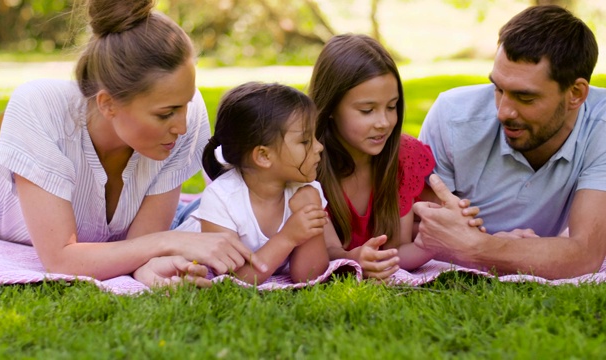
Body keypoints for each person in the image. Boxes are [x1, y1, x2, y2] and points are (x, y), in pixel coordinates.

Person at [0, 0, 265, 288]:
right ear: (108, 104)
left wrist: (149, 266)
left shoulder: (186, 117)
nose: (183, 126)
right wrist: (172, 241)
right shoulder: (38, 106)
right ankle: (18, 153)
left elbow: (139, 246)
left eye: (185, 105)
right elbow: (61, 260)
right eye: (166, 113)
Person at [413, 5, 606, 279]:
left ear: (575, 93)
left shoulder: (601, 124)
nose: (503, 111)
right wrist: (499, 248)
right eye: (498, 88)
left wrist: (479, 247)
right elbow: (420, 231)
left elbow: (585, 254)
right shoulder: (452, 116)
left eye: (525, 97)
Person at [308, 34, 483, 279]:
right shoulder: (307, 164)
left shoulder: (403, 156)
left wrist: (448, 234)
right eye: (367, 110)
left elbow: (397, 250)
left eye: (392, 107)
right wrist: (355, 259)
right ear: (330, 109)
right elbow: (325, 253)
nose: (384, 122)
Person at [177, 82, 329, 285]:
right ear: (264, 156)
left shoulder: (306, 192)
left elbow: (309, 276)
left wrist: (310, 210)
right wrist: (288, 237)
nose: (319, 147)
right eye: (305, 141)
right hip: (190, 228)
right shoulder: (222, 199)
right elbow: (238, 278)